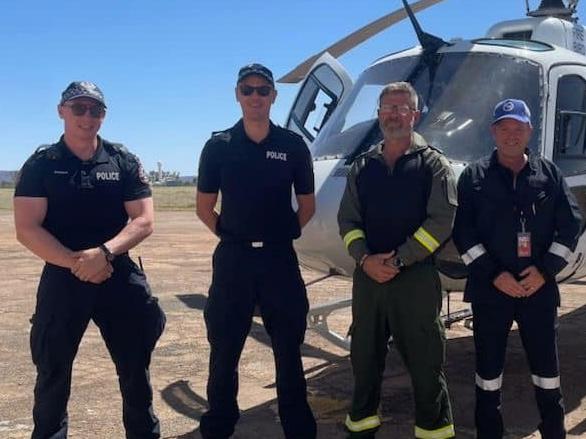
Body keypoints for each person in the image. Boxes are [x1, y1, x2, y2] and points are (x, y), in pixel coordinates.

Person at [13, 81, 166, 439]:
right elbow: (27, 228)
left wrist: (105, 253)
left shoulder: (122, 160)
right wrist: (75, 262)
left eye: (95, 110)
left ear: (103, 116)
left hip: (117, 271)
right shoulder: (41, 164)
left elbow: (144, 219)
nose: (87, 117)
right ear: (61, 111)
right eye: (79, 108)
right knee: (52, 371)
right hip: (63, 275)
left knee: (134, 368)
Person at [196, 63, 317, 439]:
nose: (255, 97)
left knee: (288, 347)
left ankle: (298, 427)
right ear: (237, 95)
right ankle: (218, 424)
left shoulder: (292, 146)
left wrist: (280, 235)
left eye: (263, 90)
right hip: (234, 261)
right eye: (247, 90)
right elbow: (204, 206)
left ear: (273, 97)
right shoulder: (219, 146)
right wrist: (233, 236)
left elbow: (307, 205)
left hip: (279, 260)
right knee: (225, 347)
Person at [453, 98, 582, 439]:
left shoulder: (549, 174)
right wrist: (495, 275)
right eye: (504, 128)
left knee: (547, 372)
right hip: (491, 291)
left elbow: (571, 225)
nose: (511, 135)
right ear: (493, 131)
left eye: (518, 128)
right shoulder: (473, 176)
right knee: (488, 373)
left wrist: (545, 271)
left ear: (529, 131)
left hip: (538, 290)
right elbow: (463, 234)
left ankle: (553, 431)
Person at [338, 81, 457, 439]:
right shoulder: (363, 166)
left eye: (402, 108)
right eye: (388, 108)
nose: (394, 114)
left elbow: (441, 222)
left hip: (415, 280)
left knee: (426, 367)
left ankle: (434, 433)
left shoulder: (433, 164)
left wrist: (399, 261)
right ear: (378, 116)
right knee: (363, 364)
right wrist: (364, 260)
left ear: (415, 115)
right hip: (369, 280)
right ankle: (360, 431)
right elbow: (348, 221)